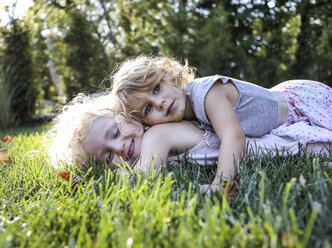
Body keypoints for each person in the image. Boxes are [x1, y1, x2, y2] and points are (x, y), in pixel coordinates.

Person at [111, 55, 332, 190]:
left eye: (156, 88)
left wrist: (222, 182)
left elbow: (233, 136)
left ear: (168, 76)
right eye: (148, 108)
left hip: (296, 105)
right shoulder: (184, 117)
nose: (159, 103)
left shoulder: (206, 93)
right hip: (278, 118)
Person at [48, 93, 330, 193]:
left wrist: (120, 176)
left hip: (281, 144)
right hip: (266, 140)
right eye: (108, 158)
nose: (119, 148)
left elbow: (144, 178)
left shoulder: (157, 137)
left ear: (128, 118)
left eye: (114, 134)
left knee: (315, 150)